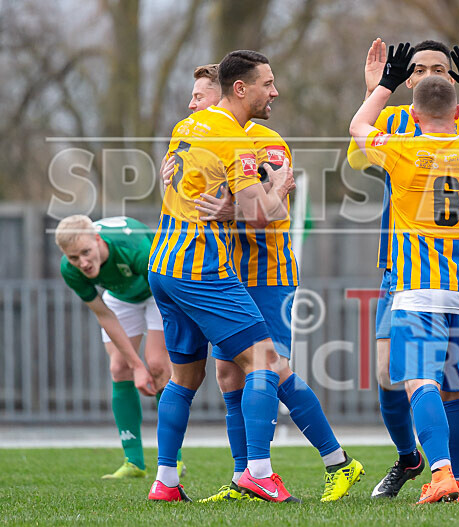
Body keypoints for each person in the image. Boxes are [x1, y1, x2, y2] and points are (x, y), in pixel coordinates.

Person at [163, 63, 364, 503]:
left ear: (225, 93)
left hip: (267, 269)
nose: (193, 104)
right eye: (194, 98)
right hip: (226, 268)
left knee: (269, 366)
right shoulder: (204, 135)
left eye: (200, 96)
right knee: (230, 375)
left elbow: (266, 212)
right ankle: (244, 478)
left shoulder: (265, 143)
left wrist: (237, 208)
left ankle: (336, 462)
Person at [347, 22, 459, 501]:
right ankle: (410, 458)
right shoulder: (402, 118)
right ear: (406, 78)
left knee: (445, 380)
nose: (424, 75)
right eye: (416, 69)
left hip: (433, 270)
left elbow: (361, 138)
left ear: (456, 80)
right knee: (388, 376)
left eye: (438, 69)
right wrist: (376, 91)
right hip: (401, 268)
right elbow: (360, 160)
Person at [147, 50, 299, 503]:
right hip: (201, 270)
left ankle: (166, 482)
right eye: (267, 83)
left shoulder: (186, 127)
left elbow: (175, 183)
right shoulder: (235, 140)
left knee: (184, 379)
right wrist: (281, 187)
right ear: (240, 89)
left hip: (163, 263)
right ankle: (257, 472)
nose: (274, 91)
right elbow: (258, 215)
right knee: (265, 361)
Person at [55, 215, 186, 479]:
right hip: (121, 296)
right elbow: (104, 315)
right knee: (119, 367)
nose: (82, 263)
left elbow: (170, 290)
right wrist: (136, 366)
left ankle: (174, 459)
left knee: (159, 365)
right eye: (73, 258)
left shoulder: (134, 248)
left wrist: (146, 364)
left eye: (86, 253)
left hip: (158, 290)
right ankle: (134, 461)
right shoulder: (70, 270)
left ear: (97, 239)